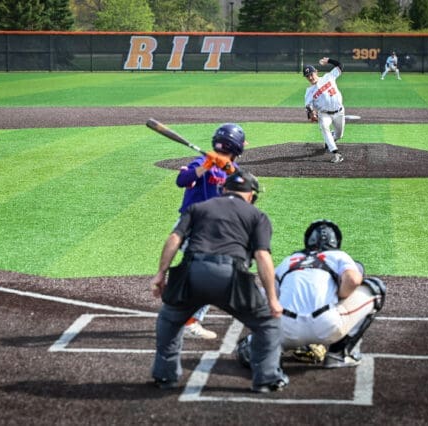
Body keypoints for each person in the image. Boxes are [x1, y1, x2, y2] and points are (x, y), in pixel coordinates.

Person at [150, 169, 288, 393]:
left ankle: (165, 377)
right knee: (267, 324)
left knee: (169, 320)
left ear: (223, 190)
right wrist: (272, 299)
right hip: (230, 278)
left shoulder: (199, 208)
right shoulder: (257, 216)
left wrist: (160, 274)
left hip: (192, 273)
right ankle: (266, 379)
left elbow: (175, 238)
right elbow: (263, 256)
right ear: (251, 196)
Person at [236, 219, 386, 369]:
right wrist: (339, 298)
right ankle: (338, 354)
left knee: (265, 299)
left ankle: (269, 349)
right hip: (326, 326)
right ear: (336, 242)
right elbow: (353, 280)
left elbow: (269, 296)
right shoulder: (338, 256)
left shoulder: (289, 260)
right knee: (376, 288)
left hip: (285, 329)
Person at [175, 123, 246, 340]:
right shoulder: (201, 162)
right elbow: (182, 180)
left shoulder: (232, 170)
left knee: (209, 275)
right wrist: (205, 166)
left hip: (212, 230)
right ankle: (191, 320)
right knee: (211, 275)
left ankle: (185, 310)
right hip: (191, 227)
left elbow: (245, 189)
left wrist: (229, 169)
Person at [303, 57, 346, 164]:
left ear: (316, 72)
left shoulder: (328, 77)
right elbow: (308, 106)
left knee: (339, 135)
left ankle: (331, 138)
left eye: (311, 74)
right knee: (324, 127)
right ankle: (336, 154)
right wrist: (311, 114)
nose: (310, 77)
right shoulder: (309, 91)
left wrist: (329, 61)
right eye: (307, 76)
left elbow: (340, 66)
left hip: (339, 112)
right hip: (324, 114)